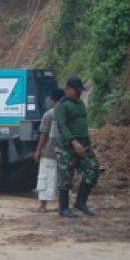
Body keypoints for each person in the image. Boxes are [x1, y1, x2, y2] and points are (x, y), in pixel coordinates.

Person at [54, 77, 99, 218]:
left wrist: (85, 142)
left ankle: (80, 202)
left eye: (80, 91)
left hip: (83, 145)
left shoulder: (80, 103)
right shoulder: (61, 105)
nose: (79, 93)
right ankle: (63, 208)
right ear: (68, 89)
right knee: (66, 177)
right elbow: (62, 126)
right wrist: (74, 142)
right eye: (77, 90)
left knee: (93, 168)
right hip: (67, 147)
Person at [33, 88, 65, 212]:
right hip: (64, 151)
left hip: (48, 151)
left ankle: (43, 206)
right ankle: (62, 205)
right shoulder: (66, 113)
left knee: (45, 178)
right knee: (62, 178)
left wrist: (38, 150)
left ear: (52, 100)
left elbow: (43, 134)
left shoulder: (49, 114)